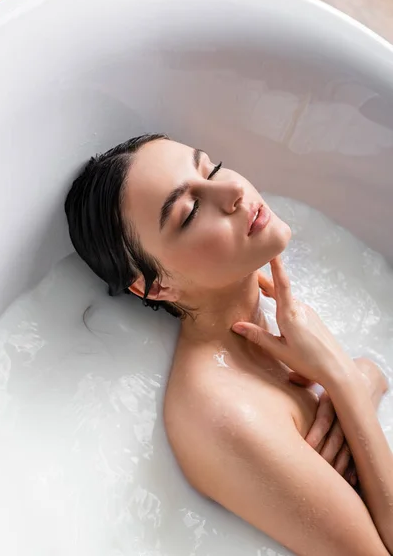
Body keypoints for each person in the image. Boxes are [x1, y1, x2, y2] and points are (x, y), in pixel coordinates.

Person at [65, 134, 393, 555]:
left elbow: (372, 375)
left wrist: (362, 375)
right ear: (156, 286)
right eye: (191, 211)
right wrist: (342, 379)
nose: (235, 190)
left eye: (212, 169)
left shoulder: (274, 301)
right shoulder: (221, 413)